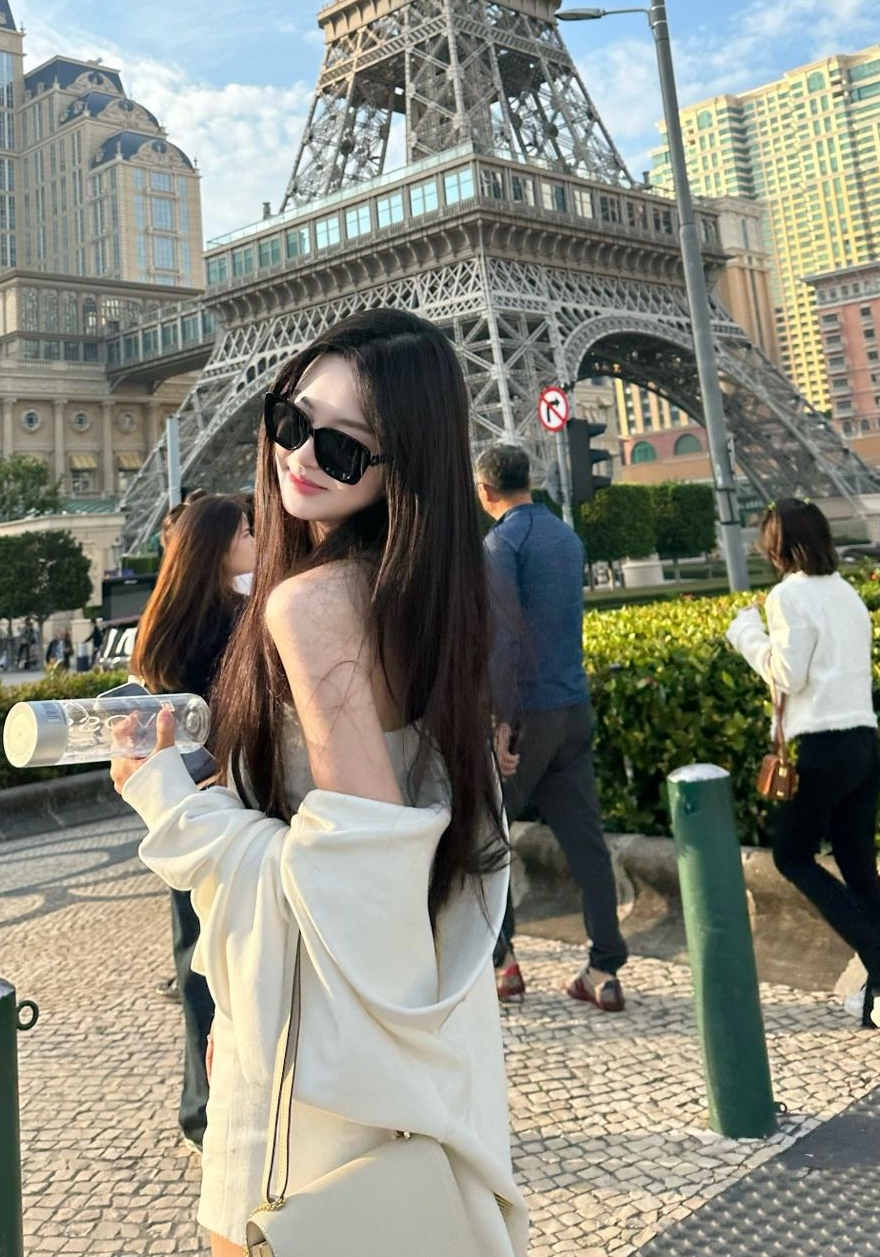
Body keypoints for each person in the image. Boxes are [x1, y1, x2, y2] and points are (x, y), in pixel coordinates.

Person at [112, 309, 526, 1257]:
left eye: (343, 448)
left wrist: (166, 798)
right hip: (406, 1042)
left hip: (317, 1058)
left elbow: (361, 886)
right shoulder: (428, 596)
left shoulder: (310, 606)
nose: (299, 456)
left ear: (402, 466)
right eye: (290, 420)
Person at [726, 498, 880, 1030]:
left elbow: (787, 676)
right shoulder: (847, 593)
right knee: (859, 868)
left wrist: (746, 635)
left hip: (820, 746)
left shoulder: (787, 596)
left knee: (792, 856)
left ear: (776, 547)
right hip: (863, 742)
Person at [475, 442, 628, 1014]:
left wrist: (500, 723)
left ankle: (503, 963)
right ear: (528, 480)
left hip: (528, 713)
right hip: (572, 706)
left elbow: (503, 641)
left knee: (485, 834)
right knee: (587, 843)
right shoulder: (566, 537)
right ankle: (604, 968)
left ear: (485, 490)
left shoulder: (500, 545)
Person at [130, 493, 255, 1156]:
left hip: (181, 804)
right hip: (234, 805)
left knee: (195, 960)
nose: (255, 538)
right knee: (235, 960)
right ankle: (230, 1107)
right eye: (246, 530)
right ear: (219, 547)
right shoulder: (244, 618)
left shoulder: (161, 624)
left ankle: (202, 1113)